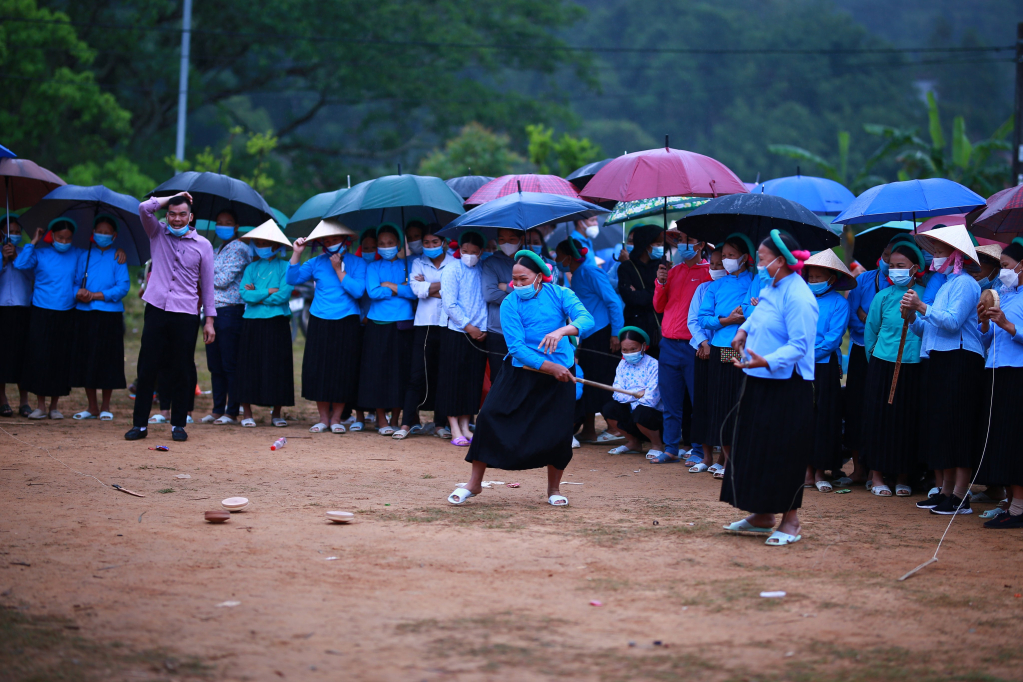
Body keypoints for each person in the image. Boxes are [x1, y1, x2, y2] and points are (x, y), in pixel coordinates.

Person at [448, 250, 594, 506]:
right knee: (489, 417)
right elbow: (516, 347)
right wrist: (549, 366)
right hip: (521, 371)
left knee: (558, 431)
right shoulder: (510, 303)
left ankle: (554, 489)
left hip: (560, 372)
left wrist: (561, 331)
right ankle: (474, 483)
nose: (518, 284)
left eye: (524, 279)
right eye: (515, 279)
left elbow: (586, 319)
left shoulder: (561, 294)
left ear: (539, 277)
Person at [722, 230, 816, 546]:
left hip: (788, 385)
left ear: (781, 260)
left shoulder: (799, 295)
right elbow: (757, 316)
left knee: (782, 452)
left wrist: (766, 361)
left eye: (762, 259)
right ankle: (762, 514)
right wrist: (741, 333)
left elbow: (800, 345)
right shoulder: (771, 287)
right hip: (758, 379)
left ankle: (791, 521)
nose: (759, 265)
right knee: (751, 448)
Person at [903, 225, 984, 515]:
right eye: (934, 251)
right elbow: (928, 328)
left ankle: (961, 496)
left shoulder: (965, 284)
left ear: (955, 255)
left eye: (938, 252)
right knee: (943, 426)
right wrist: (912, 316)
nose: (933, 257)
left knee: (959, 426)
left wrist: (922, 306)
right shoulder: (947, 284)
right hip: (941, 357)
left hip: (962, 358)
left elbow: (951, 323)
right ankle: (946, 491)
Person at [126, 193, 216, 442]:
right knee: (147, 367)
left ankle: (178, 424)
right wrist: (171, 198)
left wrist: (209, 320)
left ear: (191, 217)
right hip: (156, 308)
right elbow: (144, 208)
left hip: (186, 313)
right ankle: (140, 425)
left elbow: (207, 286)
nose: (177, 219)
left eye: (182, 214)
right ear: (167, 215)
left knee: (181, 369)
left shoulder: (203, 245)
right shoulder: (157, 233)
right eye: (173, 214)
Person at [860, 242, 927, 498]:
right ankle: (877, 476)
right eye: (893, 266)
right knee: (879, 420)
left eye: (902, 266)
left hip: (913, 366)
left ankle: (903, 477)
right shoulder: (883, 296)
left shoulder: (923, 295)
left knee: (907, 421)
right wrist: (875, 362)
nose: (896, 270)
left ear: (915, 268)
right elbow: (871, 333)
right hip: (882, 364)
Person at [287, 220, 366, 434]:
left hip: (347, 320)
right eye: (327, 240)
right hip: (320, 319)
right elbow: (291, 278)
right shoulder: (315, 262)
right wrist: (297, 253)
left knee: (342, 369)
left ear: (345, 240)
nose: (331, 243)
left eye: (335, 239)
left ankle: (337, 418)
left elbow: (358, 291)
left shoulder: (358, 263)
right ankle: (323, 419)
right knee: (319, 369)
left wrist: (339, 270)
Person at [554, 237, 624, 443]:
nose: (556, 259)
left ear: (568, 256)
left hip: (603, 333)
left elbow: (614, 302)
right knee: (588, 382)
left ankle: (615, 427)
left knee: (601, 380)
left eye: (558, 256)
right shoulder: (576, 275)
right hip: (589, 334)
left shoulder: (591, 271)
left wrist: (615, 333)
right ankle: (589, 430)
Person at [14, 217, 84, 419]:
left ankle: (55, 406)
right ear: (51, 236)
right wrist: (33, 241)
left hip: (66, 311)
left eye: (68, 238)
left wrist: (74, 293)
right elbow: (20, 264)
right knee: (39, 357)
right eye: (60, 237)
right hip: (41, 311)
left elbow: (78, 279)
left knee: (60, 358)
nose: (64, 241)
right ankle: (40, 405)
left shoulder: (77, 254)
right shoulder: (40, 253)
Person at [697, 233, 756, 473]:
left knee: (740, 401)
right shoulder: (716, 286)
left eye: (732, 256)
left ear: (744, 257)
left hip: (745, 348)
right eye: (724, 256)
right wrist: (726, 320)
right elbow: (703, 319)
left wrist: (737, 317)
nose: (727, 260)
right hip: (721, 348)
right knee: (721, 403)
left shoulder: (755, 280)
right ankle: (727, 458)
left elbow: (750, 311)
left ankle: (737, 460)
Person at [976, 238, 1023, 528]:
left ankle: (1018, 507)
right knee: (1001, 437)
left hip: (1018, 372)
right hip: (996, 369)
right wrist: (984, 322)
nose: (1002, 271)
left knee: (1016, 438)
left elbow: (1011, 330)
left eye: (1006, 266)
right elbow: (986, 339)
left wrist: (1007, 325)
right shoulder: (1005, 293)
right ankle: (1008, 500)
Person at [653, 229, 710, 463]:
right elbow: (658, 306)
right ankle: (670, 448)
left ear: (701, 245)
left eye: (689, 240)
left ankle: (697, 449)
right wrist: (660, 282)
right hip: (668, 343)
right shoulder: (673, 272)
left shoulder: (710, 273)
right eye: (680, 241)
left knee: (697, 400)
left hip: (693, 345)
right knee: (670, 401)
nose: (683, 245)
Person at [801, 249, 854, 492]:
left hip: (824, 367)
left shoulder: (839, 304)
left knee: (825, 418)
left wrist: (805, 355)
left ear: (832, 279)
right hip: (800, 367)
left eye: (818, 277)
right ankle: (806, 471)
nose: (813, 282)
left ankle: (821, 471)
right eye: (810, 277)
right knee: (803, 418)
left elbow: (833, 340)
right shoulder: (800, 300)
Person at [397, 224, 455, 440]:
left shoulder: (455, 263)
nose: (430, 246)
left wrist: (430, 286)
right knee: (416, 375)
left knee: (443, 374)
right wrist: (441, 287)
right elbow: (418, 291)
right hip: (424, 324)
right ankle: (406, 423)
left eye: (435, 242)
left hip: (448, 324)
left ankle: (440, 424)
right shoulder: (417, 263)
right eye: (427, 243)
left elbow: (454, 293)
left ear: (444, 243)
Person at [70, 214, 130, 420]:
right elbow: (75, 281)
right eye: (99, 232)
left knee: (108, 359)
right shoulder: (83, 255)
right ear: (93, 234)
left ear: (114, 236)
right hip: (85, 315)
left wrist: (95, 295)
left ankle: (106, 406)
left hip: (110, 316)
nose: (102, 235)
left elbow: (123, 287)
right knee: (87, 357)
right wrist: (79, 292)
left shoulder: (118, 257)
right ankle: (92, 406)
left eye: (107, 233)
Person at [358, 223, 416, 434]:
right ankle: (381, 419)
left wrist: (390, 286)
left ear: (398, 244)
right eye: (381, 244)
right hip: (378, 324)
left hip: (403, 324)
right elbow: (373, 292)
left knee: (401, 372)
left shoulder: (409, 264)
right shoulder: (373, 267)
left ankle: (396, 419)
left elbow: (414, 292)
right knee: (377, 371)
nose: (385, 247)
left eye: (390, 243)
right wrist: (401, 289)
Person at [236, 220, 294, 427]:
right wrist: (268, 291)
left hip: (277, 322)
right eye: (258, 243)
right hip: (252, 322)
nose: (262, 247)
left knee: (278, 365)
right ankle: (247, 413)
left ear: (278, 246)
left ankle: (277, 412)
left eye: (266, 243)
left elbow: (283, 296)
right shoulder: (250, 267)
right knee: (248, 366)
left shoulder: (285, 267)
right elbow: (244, 293)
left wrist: (257, 294)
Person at [436, 231, 488, 447]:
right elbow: (450, 303)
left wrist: (481, 328)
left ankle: (466, 425)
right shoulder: (451, 269)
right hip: (456, 331)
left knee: (472, 379)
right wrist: (468, 326)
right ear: (459, 250)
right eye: (465, 251)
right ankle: (453, 425)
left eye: (474, 252)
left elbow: (485, 299)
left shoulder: (483, 268)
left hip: (480, 332)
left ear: (481, 252)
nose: (469, 255)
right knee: (452, 379)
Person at [201, 209, 251, 425]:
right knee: (215, 363)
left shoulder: (240, 248)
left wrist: (204, 271)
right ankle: (217, 409)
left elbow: (222, 280)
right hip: (211, 311)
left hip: (230, 310)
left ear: (236, 226)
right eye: (219, 222)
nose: (222, 225)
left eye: (228, 222)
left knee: (230, 362)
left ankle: (232, 410)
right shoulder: (215, 249)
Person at [687, 246, 726, 473]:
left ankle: (723, 459)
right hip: (702, 350)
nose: (715, 269)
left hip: (726, 350)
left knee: (723, 401)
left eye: (720, 265)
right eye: (713, 265)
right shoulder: (702, 289)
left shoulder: (737, 288)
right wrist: (703, 343)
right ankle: (706, 455)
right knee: (702, 402)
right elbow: (693, 319)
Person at [602, 327, 665, 458]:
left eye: (633, 349)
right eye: (624, 350)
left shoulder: (654, 365)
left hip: (652, 414)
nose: (629, 353)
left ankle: (657, 445)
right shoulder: (622, 364)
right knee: (609, 409)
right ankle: (634, 442)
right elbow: (617, 393)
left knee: (642, 412)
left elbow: (650, 399)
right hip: (631, 409)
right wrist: (636, 393)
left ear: (643, 346)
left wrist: (630, 395)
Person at [480, 228, 523, 385]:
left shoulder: (530, 262)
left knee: (523, 376)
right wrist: (519, 295)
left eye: (511, 239)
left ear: (521, 239)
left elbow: (535, 290)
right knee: (499, 377)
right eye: (502, 239)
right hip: (498, 329)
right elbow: (490, 294)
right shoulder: (491, 262)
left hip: (525, 327)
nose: (506, 243)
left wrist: (506, 286)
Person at [1, 214, 33, 418]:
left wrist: (16, 258)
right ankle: (2, 399)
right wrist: (4, 259)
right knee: (2, 355)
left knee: (23, 355)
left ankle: (24, 401)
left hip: (23, 309)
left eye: (16, 231)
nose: (13, 235)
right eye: (9, 231)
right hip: (2, 309)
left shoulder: (26, 254)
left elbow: (34, 275)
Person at [617, 224, 665, 356]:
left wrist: (641, 293)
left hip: (658, 328)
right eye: (658, 243)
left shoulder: (662, 265)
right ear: (646, 244)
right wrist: (655, 291)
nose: (661, 247)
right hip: (636, 327)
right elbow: (630, 298)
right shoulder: (626, 267)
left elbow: (666, 295)